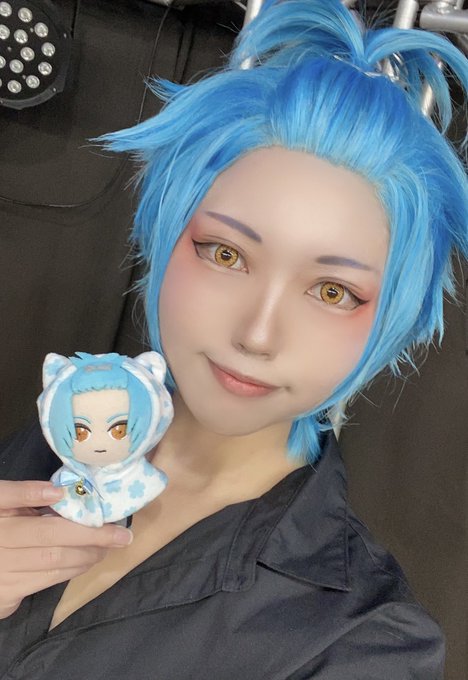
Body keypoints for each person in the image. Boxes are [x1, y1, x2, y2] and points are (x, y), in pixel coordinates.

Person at [0, 0, 466, 677]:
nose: (257, 333)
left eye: (332, 292)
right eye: (226, 254)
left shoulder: (364, 643)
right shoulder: (58, 431)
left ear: (392, 319)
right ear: (165, 236)